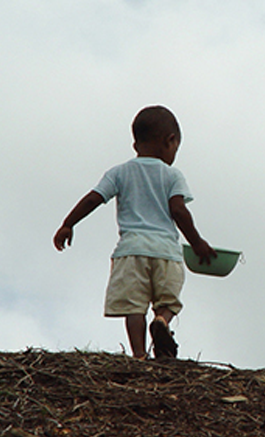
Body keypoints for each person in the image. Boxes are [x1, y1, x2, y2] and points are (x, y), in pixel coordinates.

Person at [53, 105, 216, 359]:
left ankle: (139, 355)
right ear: (170, 141)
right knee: (168, 302)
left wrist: (68, 223)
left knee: (134, 307)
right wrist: (197, 243)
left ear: (135, 145)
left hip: (130, 252)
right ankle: (162, 321)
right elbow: (179, 211)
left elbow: (93, 199)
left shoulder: (119, 172)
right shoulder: (172, 175)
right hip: (166, 252)